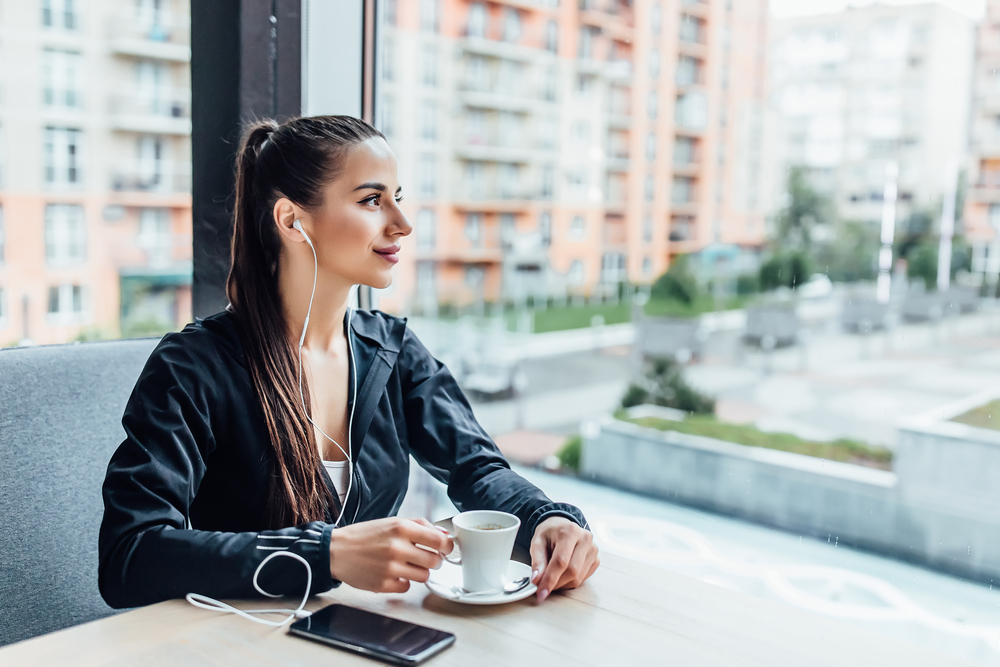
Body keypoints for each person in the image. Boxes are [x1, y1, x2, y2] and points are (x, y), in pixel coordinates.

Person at [98, 115, 599, 610]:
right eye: (371, 200)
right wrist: (326, 554)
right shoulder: (194, 367)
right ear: (293, 220)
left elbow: (477, 469)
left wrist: (545, 519)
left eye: (397, 198)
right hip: (239, 646)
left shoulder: (394, 350)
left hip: (362, 634)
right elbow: (129, 556)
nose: (401, 224)